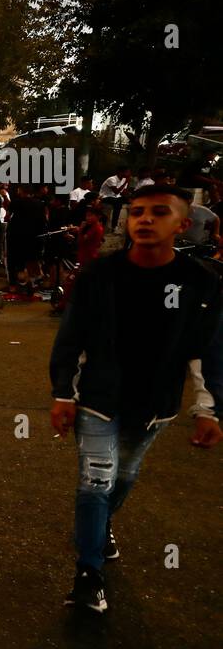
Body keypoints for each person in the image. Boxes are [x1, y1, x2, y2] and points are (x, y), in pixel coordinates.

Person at [49, 181, 223, 614]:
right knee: (94, 483)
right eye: (137, 211)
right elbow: (72, 339)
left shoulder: (200, 282)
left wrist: (209, 409)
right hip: (98, 400)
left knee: (124, 477)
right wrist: (63, 395)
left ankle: (102, 526)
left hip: (156, 406)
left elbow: (207, 350)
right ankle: (89, 575)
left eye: (158, 212)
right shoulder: (99, 275)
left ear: (182, 225)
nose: (144, 219)